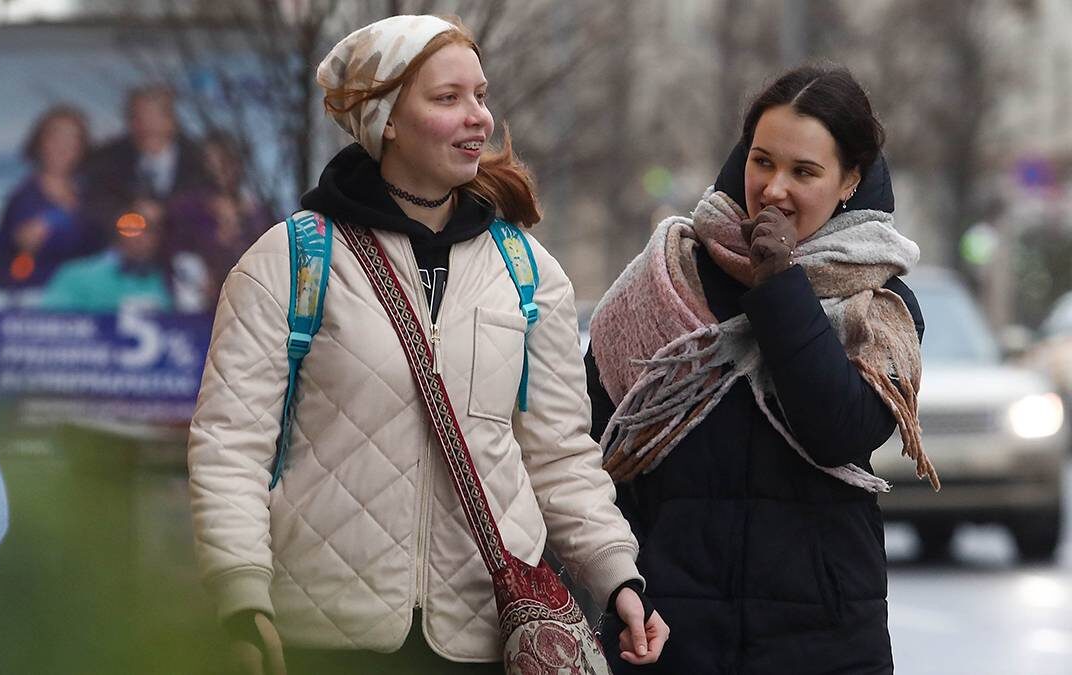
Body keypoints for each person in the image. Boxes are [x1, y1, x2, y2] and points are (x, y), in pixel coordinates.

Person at [187, 14, 668, 675]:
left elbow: (559, 459)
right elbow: (228, 446)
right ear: (385, 119)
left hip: (488, 637)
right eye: (448, 99)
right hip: (324, 636)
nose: (478, 116)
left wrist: (619, 578)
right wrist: (242, 596)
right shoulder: (293, 259)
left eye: (480, 94)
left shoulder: (528, 272)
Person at [585, 64, 937, 674]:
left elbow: (837, 431)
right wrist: (624, 587)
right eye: (762, 161)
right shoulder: (668, 276)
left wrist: (780, 287)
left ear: (850, 179)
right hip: (673, 635)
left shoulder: (878, 305)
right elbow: (591, 446)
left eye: (804, 172)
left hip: (821, 642)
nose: (774, 188)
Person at [82, 84, 208, 250]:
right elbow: (96, 209)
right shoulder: (106, 160)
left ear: (172, 121)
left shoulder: (200, 161)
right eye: (138, 118)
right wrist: (129, 219)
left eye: (154, 118)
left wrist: (165, 215)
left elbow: (206, 208)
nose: (147, 127)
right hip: (123, 257)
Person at [0, 105, 95, 293]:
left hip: (89, 304)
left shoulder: (93, 198)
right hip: (35, 308)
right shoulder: (23, 199)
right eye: (56, 137)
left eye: (72, 138)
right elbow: (2, 268)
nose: (63, 146)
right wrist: (25, 251)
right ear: (39, 143)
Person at [167, 130, 271, 303]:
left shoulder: (256, 213)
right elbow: (174, 256)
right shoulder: (186, 210)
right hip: (195, 311)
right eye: (211, 163)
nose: (219, 170)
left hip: (246, 305)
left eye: (226, 162)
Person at [39, 200, 173, 313]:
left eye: (154, 229)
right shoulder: (75, 275)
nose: (144, 237)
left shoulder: (165, 281)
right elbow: (50, 329)